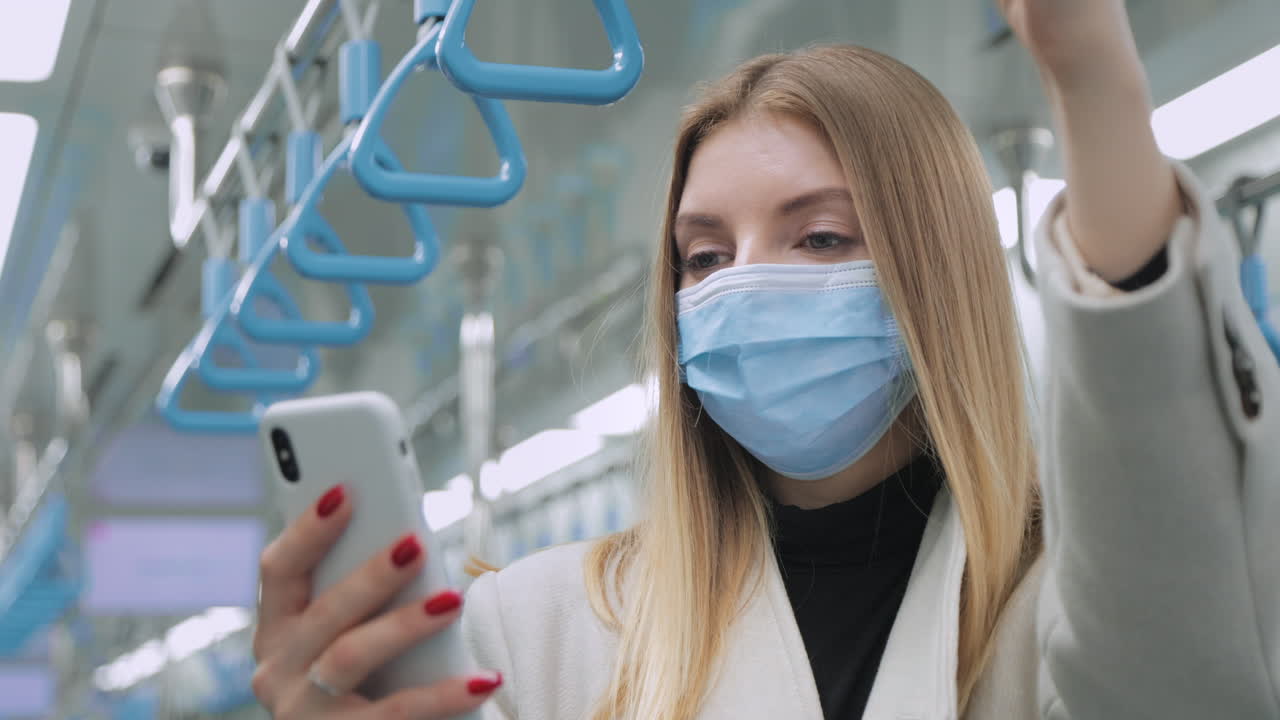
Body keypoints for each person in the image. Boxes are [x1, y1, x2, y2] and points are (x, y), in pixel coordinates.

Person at [248, 1, 1280, 718]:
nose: (742, 288)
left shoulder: (1054, 610)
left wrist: (1092, 79)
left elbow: (1180, 652)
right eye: (704, 257)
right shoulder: (536, 633)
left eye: (820, 237)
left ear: (937, 280)